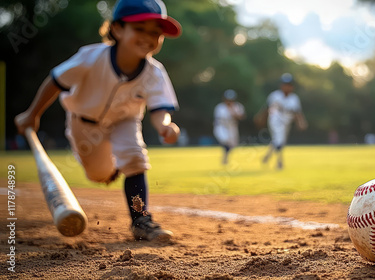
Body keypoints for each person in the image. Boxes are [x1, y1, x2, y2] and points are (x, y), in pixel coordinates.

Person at [14, 0, 182, 241]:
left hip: (126, 120)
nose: (148, 37)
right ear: (116, 29)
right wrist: (33, 114)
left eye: (156, 33)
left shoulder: (155, 72)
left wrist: (164, 125)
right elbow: (55, 82)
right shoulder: (91, 57)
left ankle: (141, 220)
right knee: (98, 174)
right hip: (84, 123)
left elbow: (159, 108)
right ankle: (111, 168)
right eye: (140, 29)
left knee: (134, 157)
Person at [261, 73, 308, 169]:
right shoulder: (275, 95)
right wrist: (261, 118)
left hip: (286, 122)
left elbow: (298, 112)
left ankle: (267, 156)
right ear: (281, 85)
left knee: (279, 141)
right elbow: (266, 108)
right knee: (279, 140)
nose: (287, 87)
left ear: (292, 86)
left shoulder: (294, 98)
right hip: (275, 120)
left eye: (289, 85)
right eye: (285, 84)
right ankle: (279, 162)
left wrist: (302, 122)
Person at [213, 89, 246, 165]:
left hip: (232, 127)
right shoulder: (220, 108)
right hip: (221, 127)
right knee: (226, 141)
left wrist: (233, 111)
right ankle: (225, 157)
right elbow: (218, 120)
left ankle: (225, 157)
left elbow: (241, 117)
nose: (229, 101)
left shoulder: (237, 106)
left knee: (233, 145)